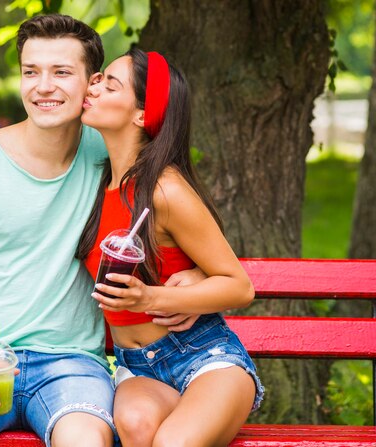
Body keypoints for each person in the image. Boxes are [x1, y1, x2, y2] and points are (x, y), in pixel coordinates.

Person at [0, 14, 204, 447]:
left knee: (84, 440)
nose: (43, 87)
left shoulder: (111, 155)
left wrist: (198, 276)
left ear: (92, 83)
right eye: (30, 72)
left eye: (61, 72)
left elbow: (179, 219)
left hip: (73, 363)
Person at [76, 48, 265, 447]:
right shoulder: (95, 181)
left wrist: (151, 296)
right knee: (135, 426)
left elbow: (239, 286)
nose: (93, 87)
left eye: (110, 84)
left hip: (204, 357)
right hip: (137, 368)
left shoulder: (165, 189)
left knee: (171, 443)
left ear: (142, 115)